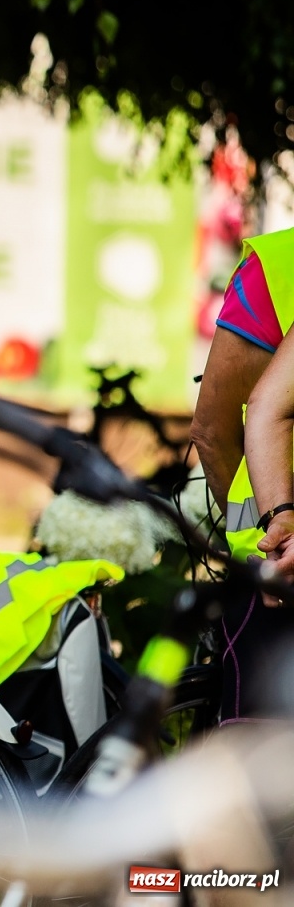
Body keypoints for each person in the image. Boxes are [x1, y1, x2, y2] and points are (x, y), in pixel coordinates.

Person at [197, 228, 294, 719]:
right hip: (279, 563)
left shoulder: (276, 262)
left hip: (271, 566)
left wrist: (267, 527)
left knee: (258, 774)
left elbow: (212, 432)